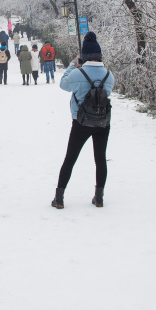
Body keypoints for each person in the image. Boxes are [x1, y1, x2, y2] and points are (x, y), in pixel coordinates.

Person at [52, 32, 115, 209]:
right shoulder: (109, 75)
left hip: (81, 122)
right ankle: (99, 197)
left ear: (84, 56)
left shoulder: (78, 73)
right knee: (100, 159)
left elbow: (64, 84)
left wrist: (73, 65)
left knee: (70, 158)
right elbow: (107, 92)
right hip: (103, 122)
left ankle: (59, 198)